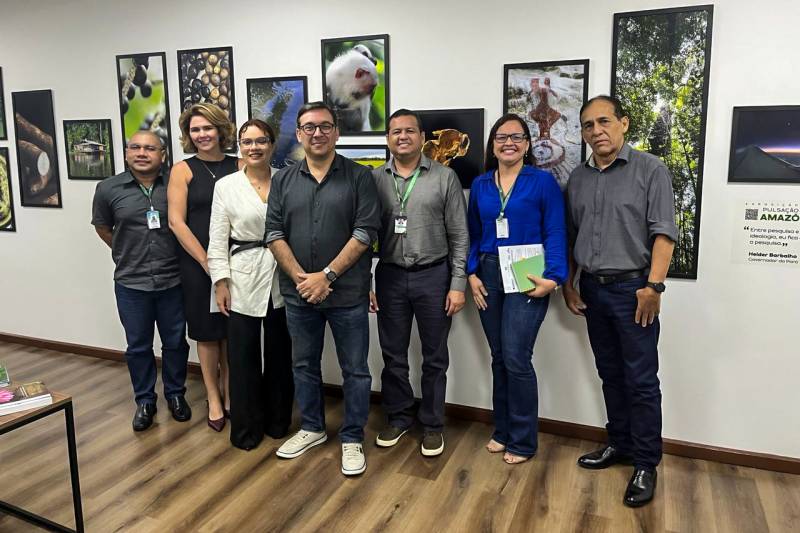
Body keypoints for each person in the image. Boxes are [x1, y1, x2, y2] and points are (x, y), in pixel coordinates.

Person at [563, 95, 677, 507]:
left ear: (623, 123)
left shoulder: (651, 169)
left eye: (604, 121)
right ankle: (621, 444)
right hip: (593, 290)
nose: (596, 131)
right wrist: (569, 284)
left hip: (634, 292)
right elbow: (572, 235)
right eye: (588, 125)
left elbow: (664, 232)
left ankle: (645, 463)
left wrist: (654, 287)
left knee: (642, 381)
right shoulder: (578, 178)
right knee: (610, 374)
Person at [266, 101, 380, 476]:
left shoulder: (360, 177)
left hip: (347, 295)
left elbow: (365, 232)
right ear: (299, 134)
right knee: (303, 365)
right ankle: (313, 428)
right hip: (300, 294)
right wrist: (304, 279)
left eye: (325, 126)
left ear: (337, 132)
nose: (317, 133)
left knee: (355, 370)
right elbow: (273, 233)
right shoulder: (282, 180)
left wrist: (326, 276)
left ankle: (352, 437)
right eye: (309, 127)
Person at [467, 114, 567, 464]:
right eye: (501, 137)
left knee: (516, 357)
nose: (508, 142)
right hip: (488, 272)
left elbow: (556, 231)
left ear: (527, 144)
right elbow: (473, 233)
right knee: (499, 356)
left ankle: (523, 440)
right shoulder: (481, 184)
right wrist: (471, 273)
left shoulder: (542, 182)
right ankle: (502, 430)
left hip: (528, 271)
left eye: (516, 137)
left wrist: (554, 277)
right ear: (492, 144)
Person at [369, 109, 468, 457]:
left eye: (409, 131)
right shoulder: (375, 179)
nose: (402, 137)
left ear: (422, 137)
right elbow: (364, 234)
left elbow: (459, 234)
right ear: (388, 139)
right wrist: (366, 280)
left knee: (434, 356)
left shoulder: (444, 177)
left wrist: (458, 283)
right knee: (393, 354)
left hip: (434, 276)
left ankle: (432, 425)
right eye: (396, 131)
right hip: (390, 276)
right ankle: (398, 417)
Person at [91, 130, 191, 431]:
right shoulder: (108, 188)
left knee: (175, 343)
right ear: (126, 153)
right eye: (135, 147)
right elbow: (103, 227)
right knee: (138, 346)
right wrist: (126, 252)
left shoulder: (175, 185)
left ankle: (175, 394)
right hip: (131, 283)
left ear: (163, 154)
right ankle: (145, 401)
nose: (142, 153)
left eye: (150, 148)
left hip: (173, 280)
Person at [207, 119, 293, 448]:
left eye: (261, 141)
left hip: (282, 273)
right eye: (247, 142)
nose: (254, 147)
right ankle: (246, 430)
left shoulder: (286, 180)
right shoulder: (226, 186)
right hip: (242, 275)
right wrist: (220, 282)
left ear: (272, 145)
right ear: (240, 147)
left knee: (280, 354)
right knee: (242, 358)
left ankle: (278, 422)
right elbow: (217, 239)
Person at [168, 103, 239, 430]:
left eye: (207, 128)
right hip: (197, 265)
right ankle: (213, 396)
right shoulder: (182, 170)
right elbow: (176, 222)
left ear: (220, 130)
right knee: (208, 334)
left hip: (236, 261)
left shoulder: (239, 165)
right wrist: (208, 262)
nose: (201, 135)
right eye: (195, 129)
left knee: (232, 331)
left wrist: (225, 264)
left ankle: (230, 393)